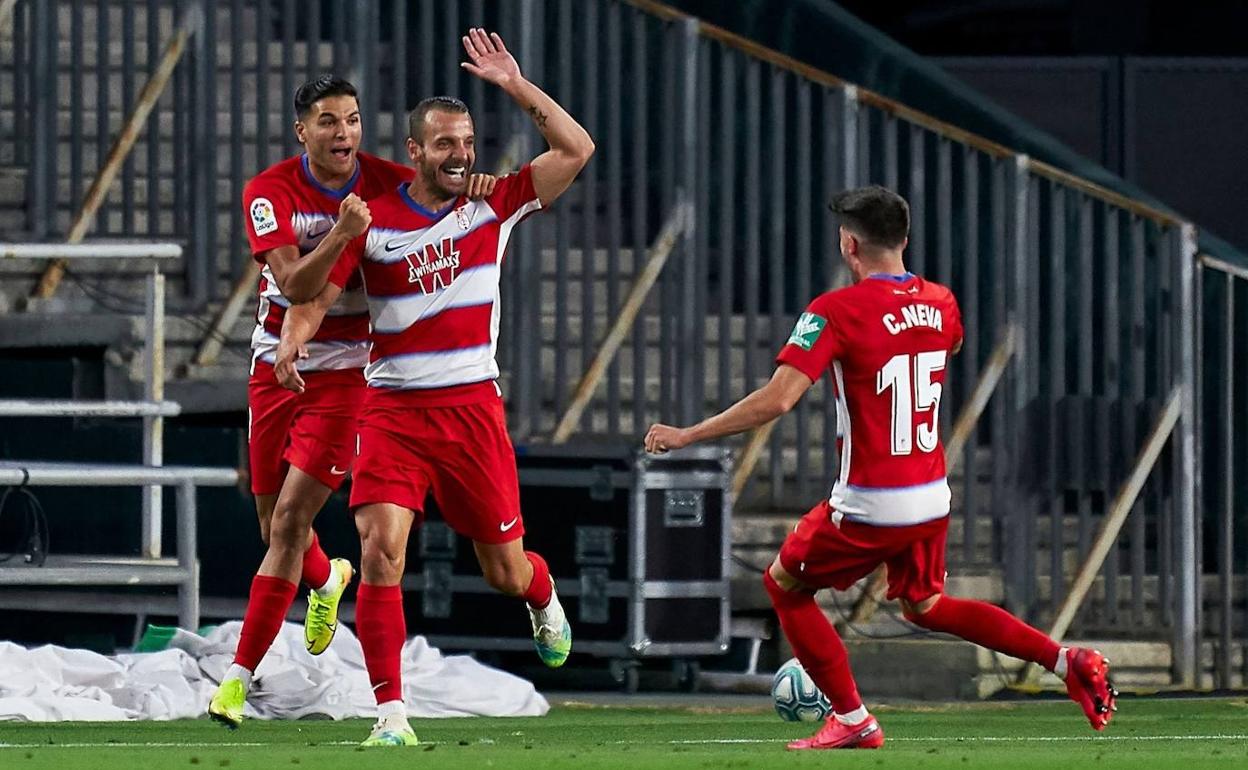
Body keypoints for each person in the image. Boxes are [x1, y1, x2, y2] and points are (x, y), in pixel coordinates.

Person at [644, 186, 1117, 750]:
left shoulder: (834, 311)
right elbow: (952, 344)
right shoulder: (942, 302)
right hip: (931, 497)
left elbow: (778, 400)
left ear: (850, 244)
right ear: (904, 239)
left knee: (785, 584)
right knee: (927, 604)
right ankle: (1066, 660)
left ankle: (852, 717)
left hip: (871, 501)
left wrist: (687, 434)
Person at [280, 28, 594, 747]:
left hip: (471, 411)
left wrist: (514, 84)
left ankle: (542, 595)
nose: (461, 155)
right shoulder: (370, 219)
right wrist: (295, 341)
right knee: (381, 548)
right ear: (414, 151)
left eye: (468, 142)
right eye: (444, 143)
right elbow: (313, 296)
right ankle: (391, 716)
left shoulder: (496, 203)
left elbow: (577, 150)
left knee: (504, 571)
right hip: (391, 410)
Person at [207, 75, 496, 729]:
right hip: (275, 360)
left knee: (286, 523)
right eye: (330, 122)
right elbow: (294, 282)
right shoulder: (270, 191)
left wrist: (474, 187)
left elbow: (454, 195)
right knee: (270, 522)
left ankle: (235, 682)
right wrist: (340, 236)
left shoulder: (392, 180)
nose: (344, 134)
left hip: (351, 375)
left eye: (354, 120)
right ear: (302, 131)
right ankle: (326, 579)